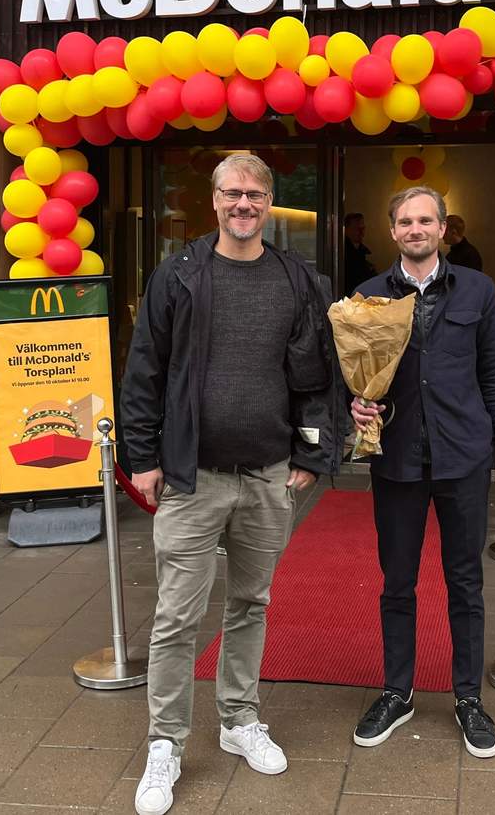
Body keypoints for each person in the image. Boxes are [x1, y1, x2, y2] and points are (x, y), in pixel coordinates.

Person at [121, 152, 345, 815]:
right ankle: (165, 740)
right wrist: (142, 456)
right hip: (192, 476)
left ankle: (238, 717)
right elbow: (145, 370)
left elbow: (315, 377)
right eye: (231, 193)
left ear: (269, 201)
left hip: (266, 474)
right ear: (213, 200)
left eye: (254, 194)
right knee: (176, 617)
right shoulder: (180, 275)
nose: (243, 204)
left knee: (251, 600)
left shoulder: (295, 278)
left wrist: (311, 454)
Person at [349, 186, 495, 758]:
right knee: (397, 583)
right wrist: (355, 404)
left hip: (463, 459)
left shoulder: (477, 289)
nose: (415, 229)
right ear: (392, 231)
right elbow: (350, 376)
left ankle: (468, 697)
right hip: (397, 459)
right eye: (405, 221)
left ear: (443, 229)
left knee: (465, 584)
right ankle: (397, 692)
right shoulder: (369, 297)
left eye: (426, 220)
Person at [343, 212, 377, 295]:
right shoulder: (342, 253)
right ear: (346, 229)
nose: (361, 232)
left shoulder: (363, 251)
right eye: (357, 228)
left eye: (363, 228)